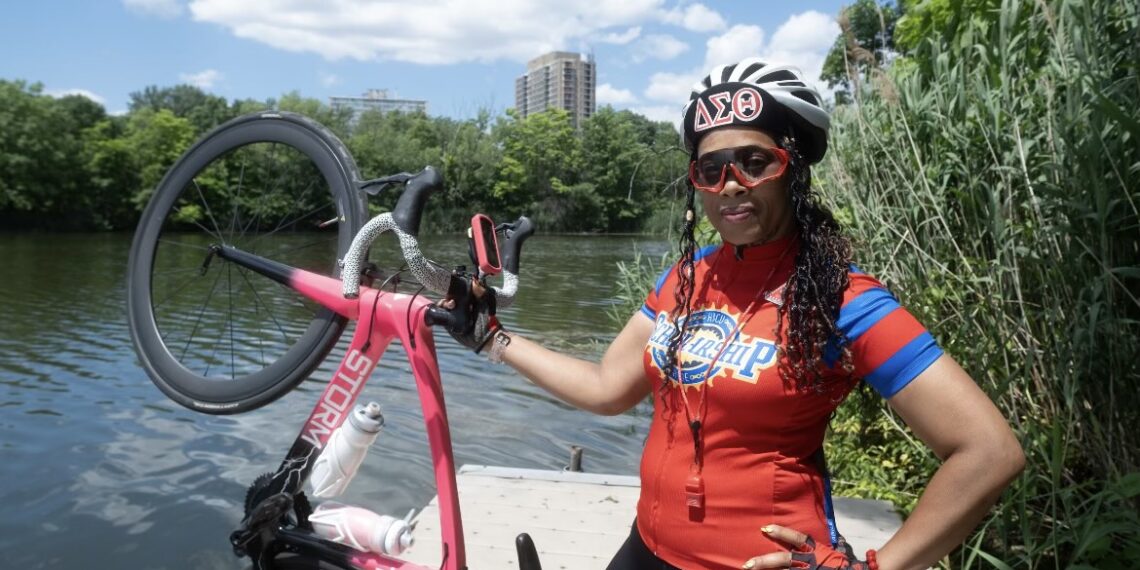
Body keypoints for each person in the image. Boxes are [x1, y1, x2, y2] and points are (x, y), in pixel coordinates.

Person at [445, 58, 1025, 570]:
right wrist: (492, 339)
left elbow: (988, 451)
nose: (730, 185)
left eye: (755, 162)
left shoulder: (843, 299)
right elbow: (606, 388)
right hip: (647, 548)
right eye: (711, 169)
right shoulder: (685, 278)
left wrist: (877, 566)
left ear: (793, 168)